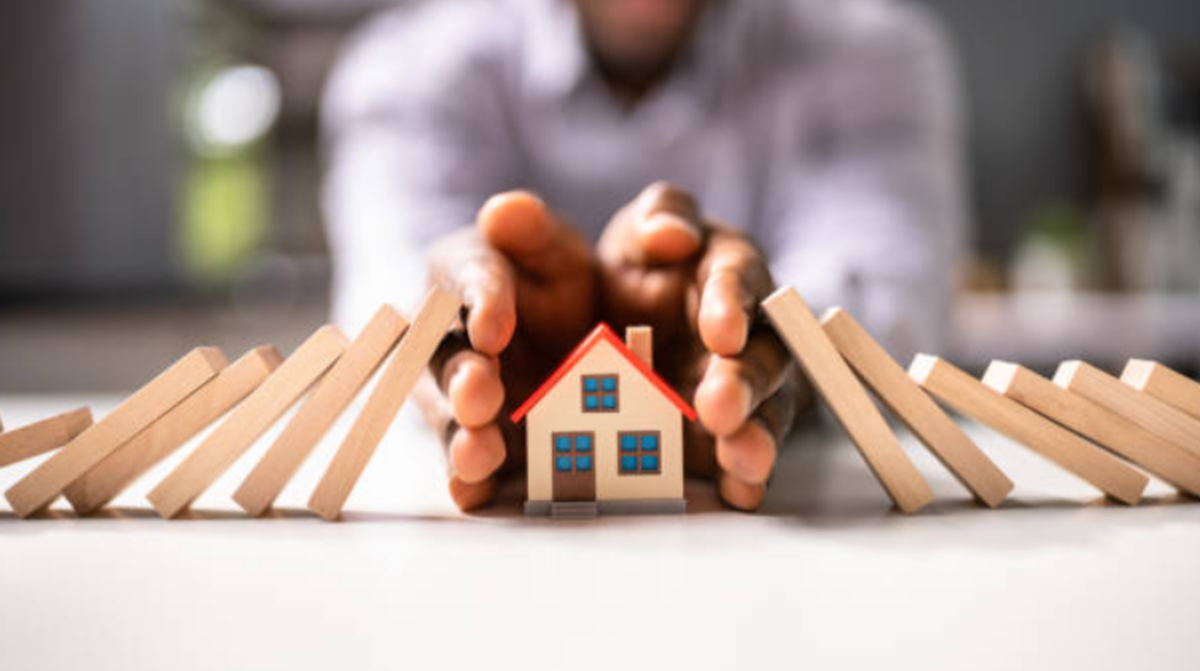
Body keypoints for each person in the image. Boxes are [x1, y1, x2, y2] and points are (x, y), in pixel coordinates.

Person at [321, 0, 966, 511]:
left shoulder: (870, 50)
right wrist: (455, 343)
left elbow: (888, 307)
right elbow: (386, 300)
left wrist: (768, 349)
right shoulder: (409, 65)